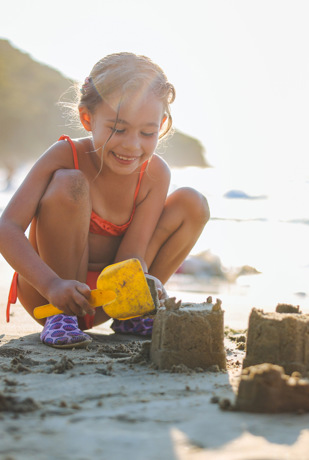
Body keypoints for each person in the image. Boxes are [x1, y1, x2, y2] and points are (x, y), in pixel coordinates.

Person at [0, 52, 209, 348]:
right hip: (49, 294)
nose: (132, 145)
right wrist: (52, 285)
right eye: (118, 129)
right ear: (88, 118)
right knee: (70, 182)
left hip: (108, 297)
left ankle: (132, 314)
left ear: (161, 125)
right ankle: (62, 318)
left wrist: (145, 284)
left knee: (193, 203)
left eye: (147, 132)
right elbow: (6, 227)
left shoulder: (154, 174)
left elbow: (132, 256)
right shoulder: (65, 155)